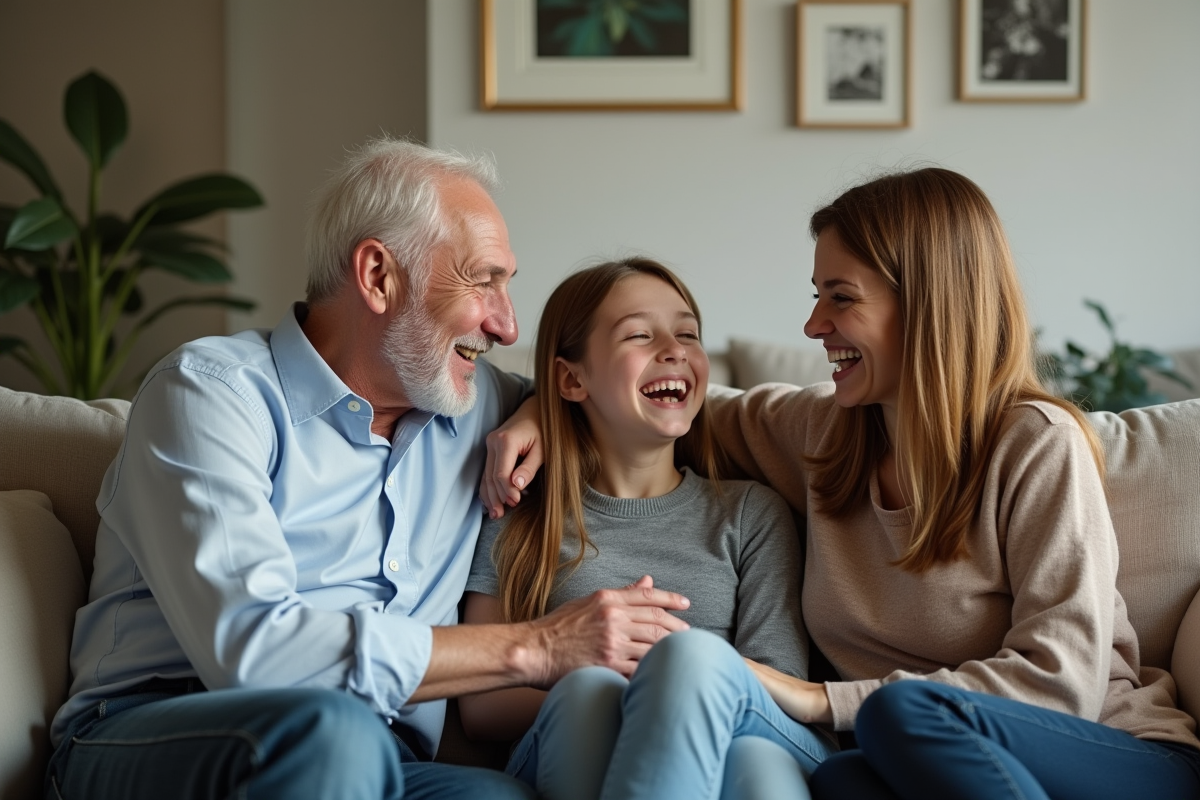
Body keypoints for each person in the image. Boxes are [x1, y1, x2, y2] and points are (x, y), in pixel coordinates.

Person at [481, 168, 1200, 799]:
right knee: (841, 781)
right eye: (816, 294)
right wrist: (542, 406)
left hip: (1110, 751)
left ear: (926, 304)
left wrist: (819, 699)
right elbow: (659, 401)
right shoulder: (823, 436)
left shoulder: (1036, 447)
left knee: (896, 717)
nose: (814, 322)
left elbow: (1060, 682)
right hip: (908, 750)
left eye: (840, 297)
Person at [45, 138, 694, 800]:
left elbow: (590, 393)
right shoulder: (210, 395)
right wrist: (539, 648)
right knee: (333, 736)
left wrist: (538, 415)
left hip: (387, 757)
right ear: (379, 275)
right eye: (483, 279)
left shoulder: (473, 403)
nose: (505, 323)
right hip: (157, 731)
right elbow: (254, 652)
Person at [459, 258, 837, 800]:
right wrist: (638, 694)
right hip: (572, 732)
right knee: (588, 692)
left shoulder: (751, 514)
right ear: (570, 379)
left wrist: (673, 686)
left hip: (739, 739)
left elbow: (775, 689)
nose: (675, 348)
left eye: (688, 333)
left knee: (751, 752)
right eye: (639, 334)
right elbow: (481, 706)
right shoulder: (521, 511)